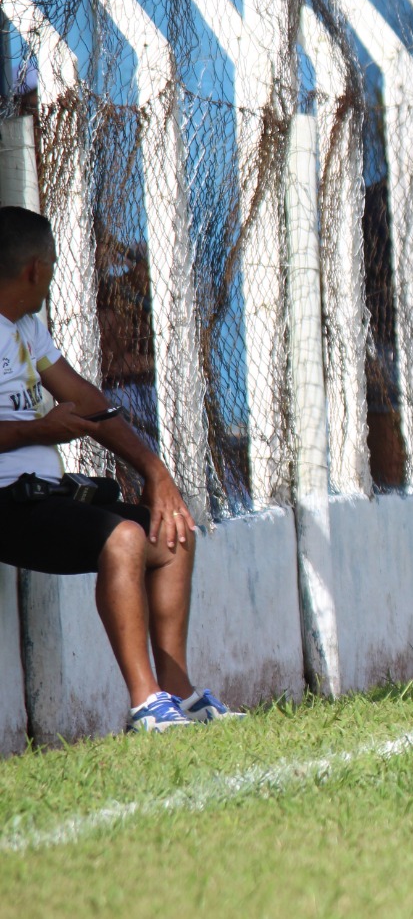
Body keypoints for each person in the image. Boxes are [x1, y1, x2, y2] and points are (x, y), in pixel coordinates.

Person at [0, 206, 243, 733]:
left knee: (171, 535)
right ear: (34, 270)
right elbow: (39, 425)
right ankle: (145, 704)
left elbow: (86, 401)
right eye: (55, 263)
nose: (56, 272)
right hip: (8, 502)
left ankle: (179, 694)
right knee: (125, 539)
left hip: (44, 494)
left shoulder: (25, 327)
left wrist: (155, 471)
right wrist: (36, 431)